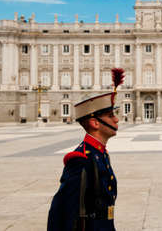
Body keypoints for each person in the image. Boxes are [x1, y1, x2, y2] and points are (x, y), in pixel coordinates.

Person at [48, 68, 124, 231]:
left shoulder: (100, 154)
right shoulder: (80, 159)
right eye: (111, 116)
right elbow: (63, 212)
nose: (117, 119)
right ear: (95, 123)